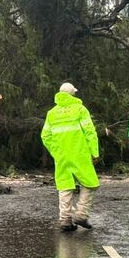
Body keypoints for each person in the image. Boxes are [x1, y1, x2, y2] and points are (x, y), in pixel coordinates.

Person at [41, 82, 100, 232]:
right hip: (80, 153)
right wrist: (94, 152)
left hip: (61, 156)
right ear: (73, 94)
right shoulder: (80, 109)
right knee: (90, 183)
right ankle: (81, 214)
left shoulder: (52, 113)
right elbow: (90, 132)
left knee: (64, 186)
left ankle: (65, 219)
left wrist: (56, 151)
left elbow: (45, 136)